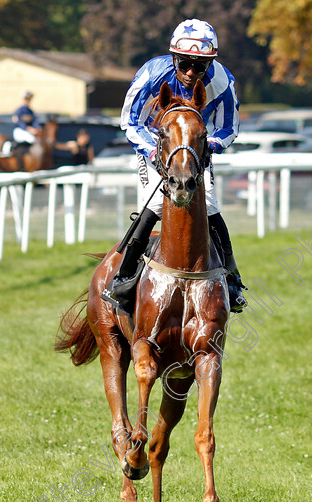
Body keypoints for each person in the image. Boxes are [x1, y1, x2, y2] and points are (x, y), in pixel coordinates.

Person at [101, 18, 245, 315]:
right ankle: (124, 278)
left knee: (209, 203)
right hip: (157, 144)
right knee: (155, 203)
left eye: (200, 66)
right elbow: (130, 122)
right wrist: (154, 152)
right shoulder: (152, 74)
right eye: (184, 64)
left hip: (194, 149)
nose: (191, 72)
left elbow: (229, 128)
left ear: (211, 64)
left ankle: (232, 278)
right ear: (173, 58)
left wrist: (206, 147)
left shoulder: (223, 82)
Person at [3, 90, 41, 156]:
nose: (28, 100)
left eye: (29, 99)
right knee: (32, 139)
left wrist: (37, 128)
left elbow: (35, 121)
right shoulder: (19, 110)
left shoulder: (30, 111)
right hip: (19, 131)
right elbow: (19, 122)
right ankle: (11, 150)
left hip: (28, 132)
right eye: (26, 99)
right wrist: (29, 128)